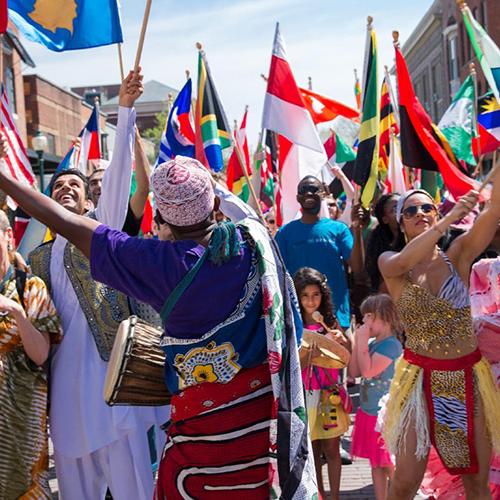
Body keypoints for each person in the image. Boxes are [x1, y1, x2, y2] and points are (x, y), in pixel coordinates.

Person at [0, 155, 318, 498]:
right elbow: (292, 329)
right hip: (261, 436)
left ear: (162, 216)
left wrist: (3, 179)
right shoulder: (255, 245)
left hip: (197, 446)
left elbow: (63, 221)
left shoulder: (156, 264)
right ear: (213, 204)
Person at [20, 70, 159, 499]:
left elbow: (121, 180)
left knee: (132, 484)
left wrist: (127, 109)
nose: (64, 189)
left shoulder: (104, 232)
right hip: (64, 391)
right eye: (56, 185)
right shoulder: (36, 261)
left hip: (113, 383)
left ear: (88, 200)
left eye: (73, 185)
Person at [378, 183, 500, 500]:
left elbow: (494, 211)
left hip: (467, 381)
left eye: (427, 208)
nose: (420, 213)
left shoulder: (457, 257)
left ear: (435, 213)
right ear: (399, 222)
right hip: (419, 382)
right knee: (405, 481)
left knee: (475, 482)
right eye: (411, 210)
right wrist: (448, 221)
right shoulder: (391, 262)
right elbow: (404, 262)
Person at [0, 209, 62, 498]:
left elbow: (40, 355)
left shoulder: (30, 288)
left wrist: (15, 311)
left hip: (20, 420)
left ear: (9, 237)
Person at [295, 267, 351, 500]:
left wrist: (342, 341)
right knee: (313, 449)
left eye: (315, 295)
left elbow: (346, 355)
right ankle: (319, 495)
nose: (311, 300)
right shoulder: (294, 325)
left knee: (331, 448)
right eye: (305, 295)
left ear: (323, 295)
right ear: (298, 297)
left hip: (329, 395)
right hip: (306, 395)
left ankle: (335, 497)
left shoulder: (329, 322)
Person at [276, 175, 354, 329]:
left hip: (336, 318)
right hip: (300, 320)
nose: (309, 193)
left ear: (323, 194)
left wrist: (357, 229)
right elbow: (279, 276)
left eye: (314, 189)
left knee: (344, 354)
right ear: (298, 197)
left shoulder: (339, 229)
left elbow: (357, 267)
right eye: (304, 190)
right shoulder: (284, 233)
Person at [348, 294, 403, 500]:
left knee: (388, 464)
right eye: (364, 317)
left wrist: (362, 341)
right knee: (376, 464)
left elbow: (369, 371)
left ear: (385, 318)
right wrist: (357, 343)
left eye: (370, 317)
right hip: (368, 412)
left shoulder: (391, 345)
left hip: (384, 416)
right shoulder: (370, 343)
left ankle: (404, 495)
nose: (365, 322)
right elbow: (354, 371)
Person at [88, 127, 151, 237]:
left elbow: (143, 188)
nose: (99, 186)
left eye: (104, 181)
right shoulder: (84, 219)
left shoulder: (126, 213)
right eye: (93, 183)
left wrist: (136, 140)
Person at [365, 194, 401, 293]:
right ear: (385, 219)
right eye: (394, 209)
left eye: (403, 206)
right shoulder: (383, 253)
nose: (401, 211)